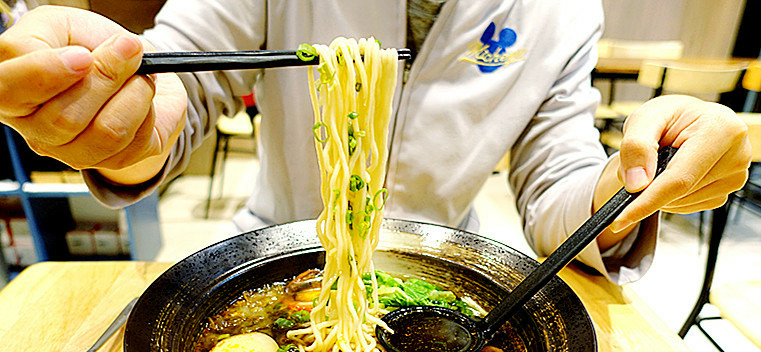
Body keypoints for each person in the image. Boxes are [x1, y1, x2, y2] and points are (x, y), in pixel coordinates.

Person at [0, 1, 751, 284]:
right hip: (274, 247)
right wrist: (117, 123)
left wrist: (636, 180)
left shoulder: (561, 8)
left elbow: (558, 179)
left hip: (439, 261)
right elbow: (180, 90)